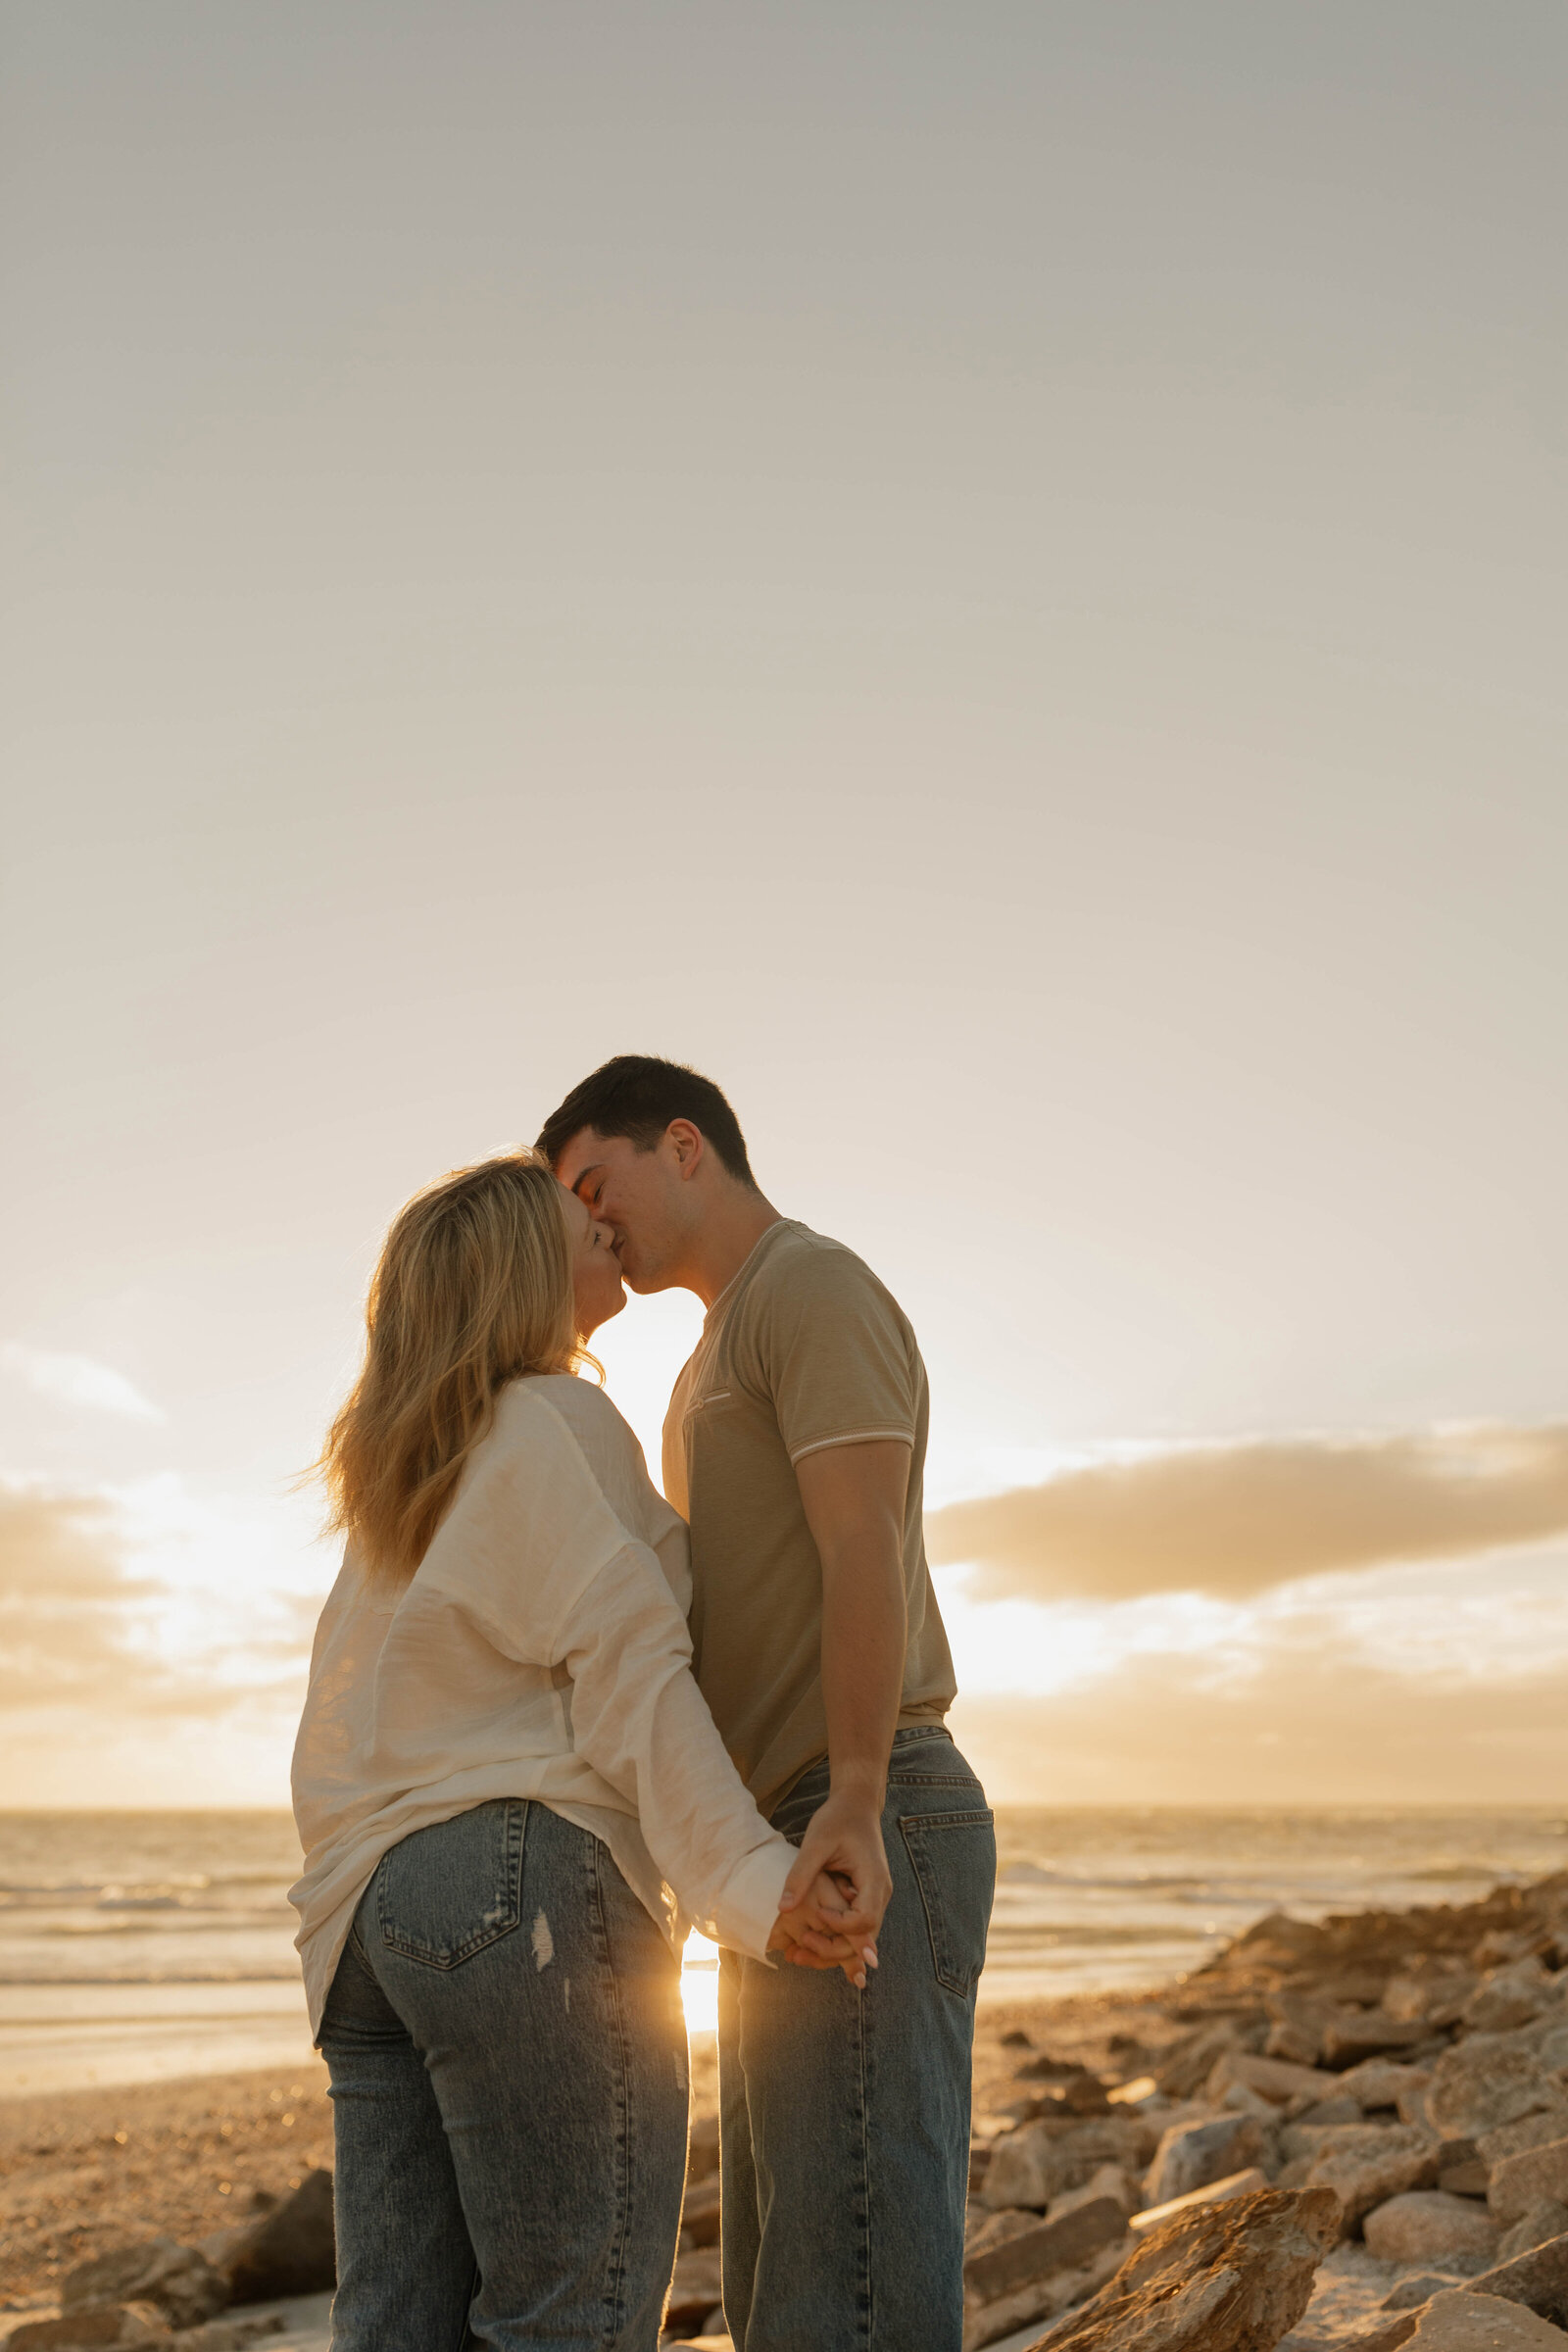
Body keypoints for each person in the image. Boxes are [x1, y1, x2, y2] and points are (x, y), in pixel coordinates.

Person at [289, 1151, 870, 2352]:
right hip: (517, 1887)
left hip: (366, 1921)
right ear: (519, 1263)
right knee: (571, 2323)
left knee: (392, 2331)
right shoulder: (553, 1420)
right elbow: (635, 1680)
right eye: (577, 1213)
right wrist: (754, 1886)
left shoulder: (409, 1471)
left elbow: (339, 1733)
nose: (602, 1220)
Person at [540, 1058, 996, 2352]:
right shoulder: (704, 1360)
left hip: (863, 1801)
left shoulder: (811, 1285)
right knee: (782, 2295)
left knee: (848, 2294)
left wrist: (853, 1802)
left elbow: (862, 1545)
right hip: (781, 1836)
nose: (590, 1220)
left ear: (682, 1144)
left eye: (592, 1182)